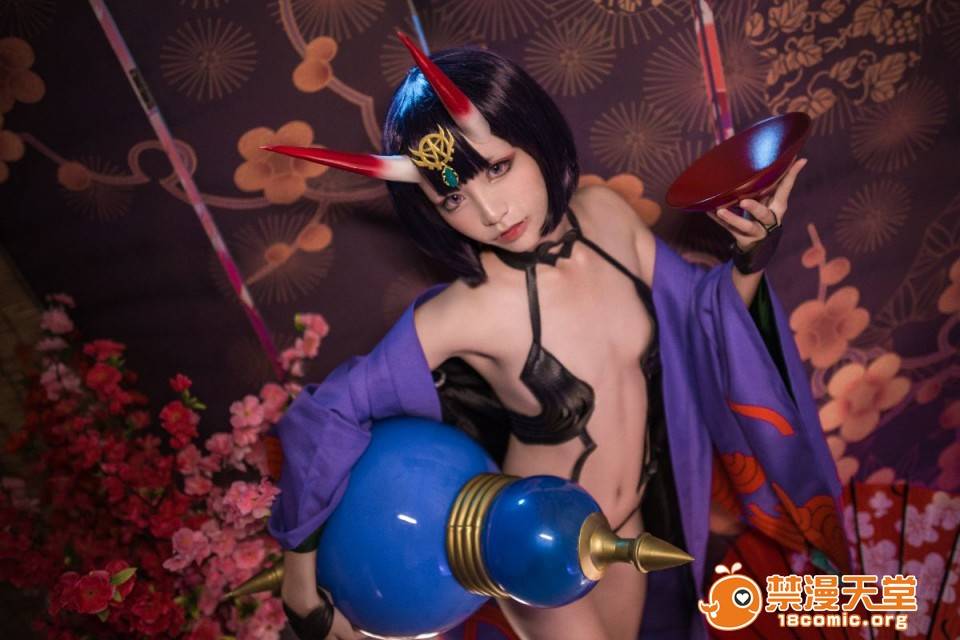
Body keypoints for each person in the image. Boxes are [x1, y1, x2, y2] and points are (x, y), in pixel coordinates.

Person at [267, 34, 846, 640]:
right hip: (533, 546)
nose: (491, 212)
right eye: (454, 197)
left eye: (497, 168)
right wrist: (300, 585)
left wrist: (751, 256)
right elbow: (326, 416)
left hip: (626, 523)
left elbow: (703, 319)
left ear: (534, 135)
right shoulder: (464, 312)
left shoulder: (607, 216)